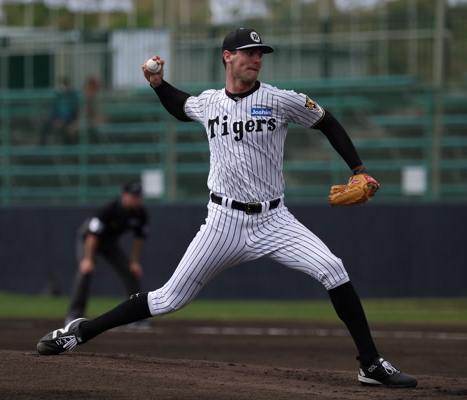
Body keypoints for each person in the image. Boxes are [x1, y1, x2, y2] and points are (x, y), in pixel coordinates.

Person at [36, 28, 417, 389]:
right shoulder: (209, 103)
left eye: (260, 54)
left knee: (333, 269)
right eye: (249, 53)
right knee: (169, 299)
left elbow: (327, 121)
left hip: (275, 219)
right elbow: (181, 107)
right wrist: (158, 84)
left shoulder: (279, 99)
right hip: (224, 221)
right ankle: (80, 331)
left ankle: (370, 365)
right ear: (228, 56)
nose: (257, 59)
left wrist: (359, 170)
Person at [65, 179, 149, 326]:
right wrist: (88, 259)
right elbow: (92, 235)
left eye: (138, 196)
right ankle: (74, 315)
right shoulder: (109, 209)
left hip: (110, 242)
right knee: (85, 271)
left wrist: (134, 262)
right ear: (124, 195)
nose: (136, 199)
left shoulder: (140, 213)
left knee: (132, 272)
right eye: (133, 195)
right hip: (88, 240)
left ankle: (136, 317)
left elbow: (138, 238)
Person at [39, 77, 80, 145]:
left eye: (66, 84)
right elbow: (53, 110)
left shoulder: (73, 97)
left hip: (68, 121)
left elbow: (74, 112)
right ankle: (42, 148)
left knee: (67, 131)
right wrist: (55, 120)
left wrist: (63, 121)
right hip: (56, 120)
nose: (64, 87)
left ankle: (67, 149)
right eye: (63, 84)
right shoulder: (58, 97)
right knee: (44, 128)